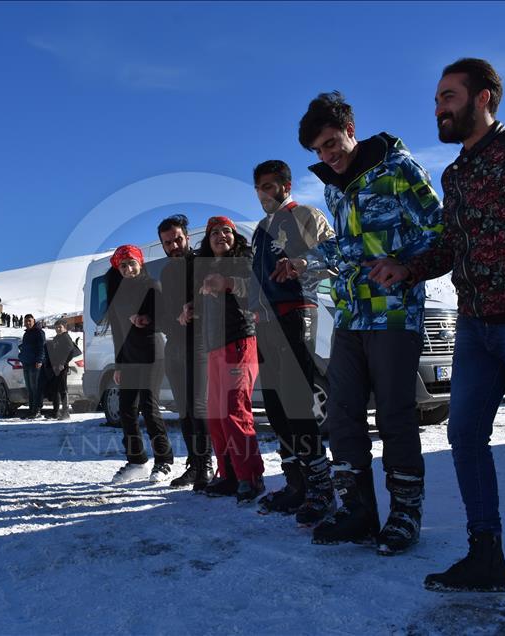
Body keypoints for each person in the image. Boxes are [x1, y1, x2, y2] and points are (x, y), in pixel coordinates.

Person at [368, 58, 505, 593]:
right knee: (464, 435)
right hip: (476, 328)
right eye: (437, 99)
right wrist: (409, 268)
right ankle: (485, 553)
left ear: (483, 97)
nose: (438, 107)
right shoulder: (455, 173)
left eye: (448, 96)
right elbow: (450, 245)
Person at [297, 91, 443, 554]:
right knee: (342, 415)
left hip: (395, 314)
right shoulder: (332, 188)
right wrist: (306, 262)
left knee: (396, 415)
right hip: (350, 315)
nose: (327, 155)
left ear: (350, 131)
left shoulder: (399, 169)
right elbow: (350, 247)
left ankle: (404, 515)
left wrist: (406, 267)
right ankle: (358, 510)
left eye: (331, 143)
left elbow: (440, 233)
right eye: (318, 151)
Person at [249, 159, 337, 525]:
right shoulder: (259, 229)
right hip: (265, 321)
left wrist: (301, 262)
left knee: (298, 401)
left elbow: (337, 252)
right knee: (275, 406)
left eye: (270, 186)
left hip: (298, 311)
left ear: (285, 185)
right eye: (259, 188)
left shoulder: (306, 215)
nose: (264, 193)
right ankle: (295, 483)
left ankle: (322, 488)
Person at [191, 217, 264, 504]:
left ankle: (251, 478)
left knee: (235, 411)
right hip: (214, 348)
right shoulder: (209, 270)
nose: (221, 235)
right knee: (217, 416)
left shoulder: (244, 261)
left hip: (239, 342)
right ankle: (229, 474)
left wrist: (229, 283)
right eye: (214, 233)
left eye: (226, 231)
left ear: (235, 237)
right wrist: (192, 308)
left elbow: (255, 291)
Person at [104, 245, 174, 484]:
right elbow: (117, 333)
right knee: (126, 411)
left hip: (152, 353)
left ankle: (164, 462)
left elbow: (166, 319)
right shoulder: (117, 293)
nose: (128, 268)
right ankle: (137, 462)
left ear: (140, 263)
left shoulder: (152, 286)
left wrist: (148, 319)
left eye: (132, 263)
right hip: (129, 357)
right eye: (123, 265)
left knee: (149, 408)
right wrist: (118, 365)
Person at [157, 213, 214, 491]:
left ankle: (206, 465)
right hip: (175, 345)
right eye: (168, 242)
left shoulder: (201, 263)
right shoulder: (166, 272)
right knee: (184, 409)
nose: (174, 245)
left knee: (199, 406)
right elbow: (166, 311)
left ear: (187, 238)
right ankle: (194, 464)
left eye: (177, 239)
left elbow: (213, 297)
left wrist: (194, 309)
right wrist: (172, 320)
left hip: (201, 342)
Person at [43, 318, 80, 420]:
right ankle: (55, 412)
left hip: (62, 368)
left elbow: (70, 351)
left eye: (60, 327)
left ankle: (65, 412)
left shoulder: (65, 337)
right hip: (55, 367)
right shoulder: (57, 338)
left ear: (65, 327)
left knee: (63, 390)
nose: (58, 329)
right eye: (56, 327)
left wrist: (63, 363)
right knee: (55, 390)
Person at [18, 314, 46, 418]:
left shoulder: (39, 332)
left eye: (29, 321)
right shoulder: (26, 334)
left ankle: (37, 410)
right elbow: (25, 348)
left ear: (34, 321)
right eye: (26, 321)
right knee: (29, 389)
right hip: (26, 363)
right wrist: (21, 356)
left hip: (35, 364)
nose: (27, 323)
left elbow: (42, 347)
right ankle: (31, 410)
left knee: (36, 388)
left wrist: (39, 360)